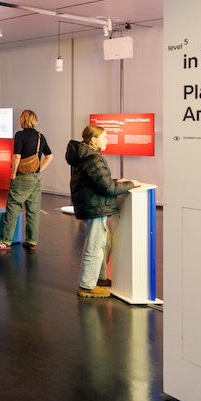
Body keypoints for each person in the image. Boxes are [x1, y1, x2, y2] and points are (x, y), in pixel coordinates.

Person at [66, 125, 139, 298]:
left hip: (92, 205)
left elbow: (98, 180)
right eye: (105, 137)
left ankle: (99, 278)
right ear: (93, 140)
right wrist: (130, 184)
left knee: (101, 243)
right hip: (95, 207)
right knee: (94, 245)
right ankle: (87, 285)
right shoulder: (92, 159)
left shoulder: (85, 157)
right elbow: (107, 188)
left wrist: (117, 181)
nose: (107, 141)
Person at [0, 109, 53, 252]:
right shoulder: (40, 136)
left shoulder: (19, 135)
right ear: (34, 120)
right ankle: (31, 241)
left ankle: (5, 240)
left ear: (22, 120)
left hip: (22, 178)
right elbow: (49, 156)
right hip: (36, 178)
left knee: (13, 208)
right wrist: (38, 170)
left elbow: (17, 156)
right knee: (33, 211)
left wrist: (13, 173)